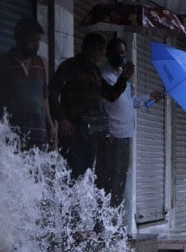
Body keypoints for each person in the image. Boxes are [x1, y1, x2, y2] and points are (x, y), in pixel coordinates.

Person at [50, 32, 135, 179]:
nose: (102, 53)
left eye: (102, 49)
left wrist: (124, 78)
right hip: (72, 132)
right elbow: (52, 92)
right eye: (99, 49)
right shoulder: (70, 67)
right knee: (72, 175)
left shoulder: (95, 71)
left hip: (91, 133)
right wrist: (62, 119)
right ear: (88, 48)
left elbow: (110, 95)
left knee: (85, 176)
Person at [95, 38, 162, 207]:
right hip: (112, 136)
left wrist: (149, 98)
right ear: (108, 54)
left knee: (119, 182)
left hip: (124, 136)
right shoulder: (104, 75)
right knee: (108, 182)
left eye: (123, 52)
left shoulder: (120, 77)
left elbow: (129, 102)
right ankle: (102, 226)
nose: (121, 56)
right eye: (118, 52)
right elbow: (109, 98)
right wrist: (124, 77)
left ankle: (115, 225)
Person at [0, 17, 56, 150]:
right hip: (10, 134)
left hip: (38, 134)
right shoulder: (2, 62)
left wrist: (51, 126)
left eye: (38, 41)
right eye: (32, 41)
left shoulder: (42, 64)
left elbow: (44, 100)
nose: (36, 45)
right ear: (19, 39)